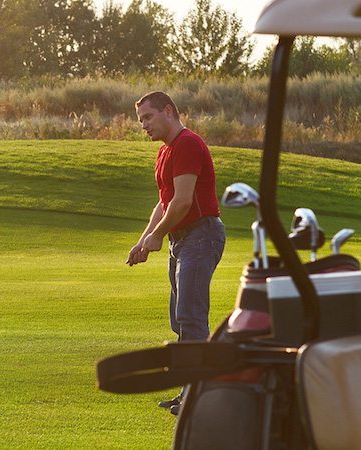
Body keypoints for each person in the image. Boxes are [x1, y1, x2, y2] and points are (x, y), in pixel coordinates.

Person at [126, 92, 226, 415]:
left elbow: (183, 202)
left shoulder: (187, 144)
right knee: (180, 320)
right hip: (182, 241)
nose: (143, 125)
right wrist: (144, 240)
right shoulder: (165, 152)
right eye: (141, 120)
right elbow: (164, 202)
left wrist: (157, 235)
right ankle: (189, 392)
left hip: (201, 235)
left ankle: (199, 397)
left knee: (191, 318)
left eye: (148, 117)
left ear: (168, 111)